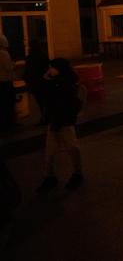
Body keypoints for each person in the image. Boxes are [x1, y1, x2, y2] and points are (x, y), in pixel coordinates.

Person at [37, 58, 84, 192]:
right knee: (50, 152)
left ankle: (77, 173)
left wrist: (47, 82)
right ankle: (49, 176)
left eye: (51, 68)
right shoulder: (56, 82)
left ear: (59, 69)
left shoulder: (65, 84)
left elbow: (58, 100)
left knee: (72, 148)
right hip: (55, 120)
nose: (49, 70)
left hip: (64, 120)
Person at [24, 39, 50, 125]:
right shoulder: (43, 56)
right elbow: (47, 68)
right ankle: (46, 117)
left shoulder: (29, 57)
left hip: (34, 83)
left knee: (40, 101)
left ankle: (44, 117)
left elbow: (27, 71)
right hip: (43, 82)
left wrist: (27, 81)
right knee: (45, 101)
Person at [0, 34, 15, 131]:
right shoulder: (4, 53)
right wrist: (13, 64)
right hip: (5, 81)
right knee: (8, 103)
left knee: (2, 104)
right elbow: (9, 67)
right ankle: (9, 124)